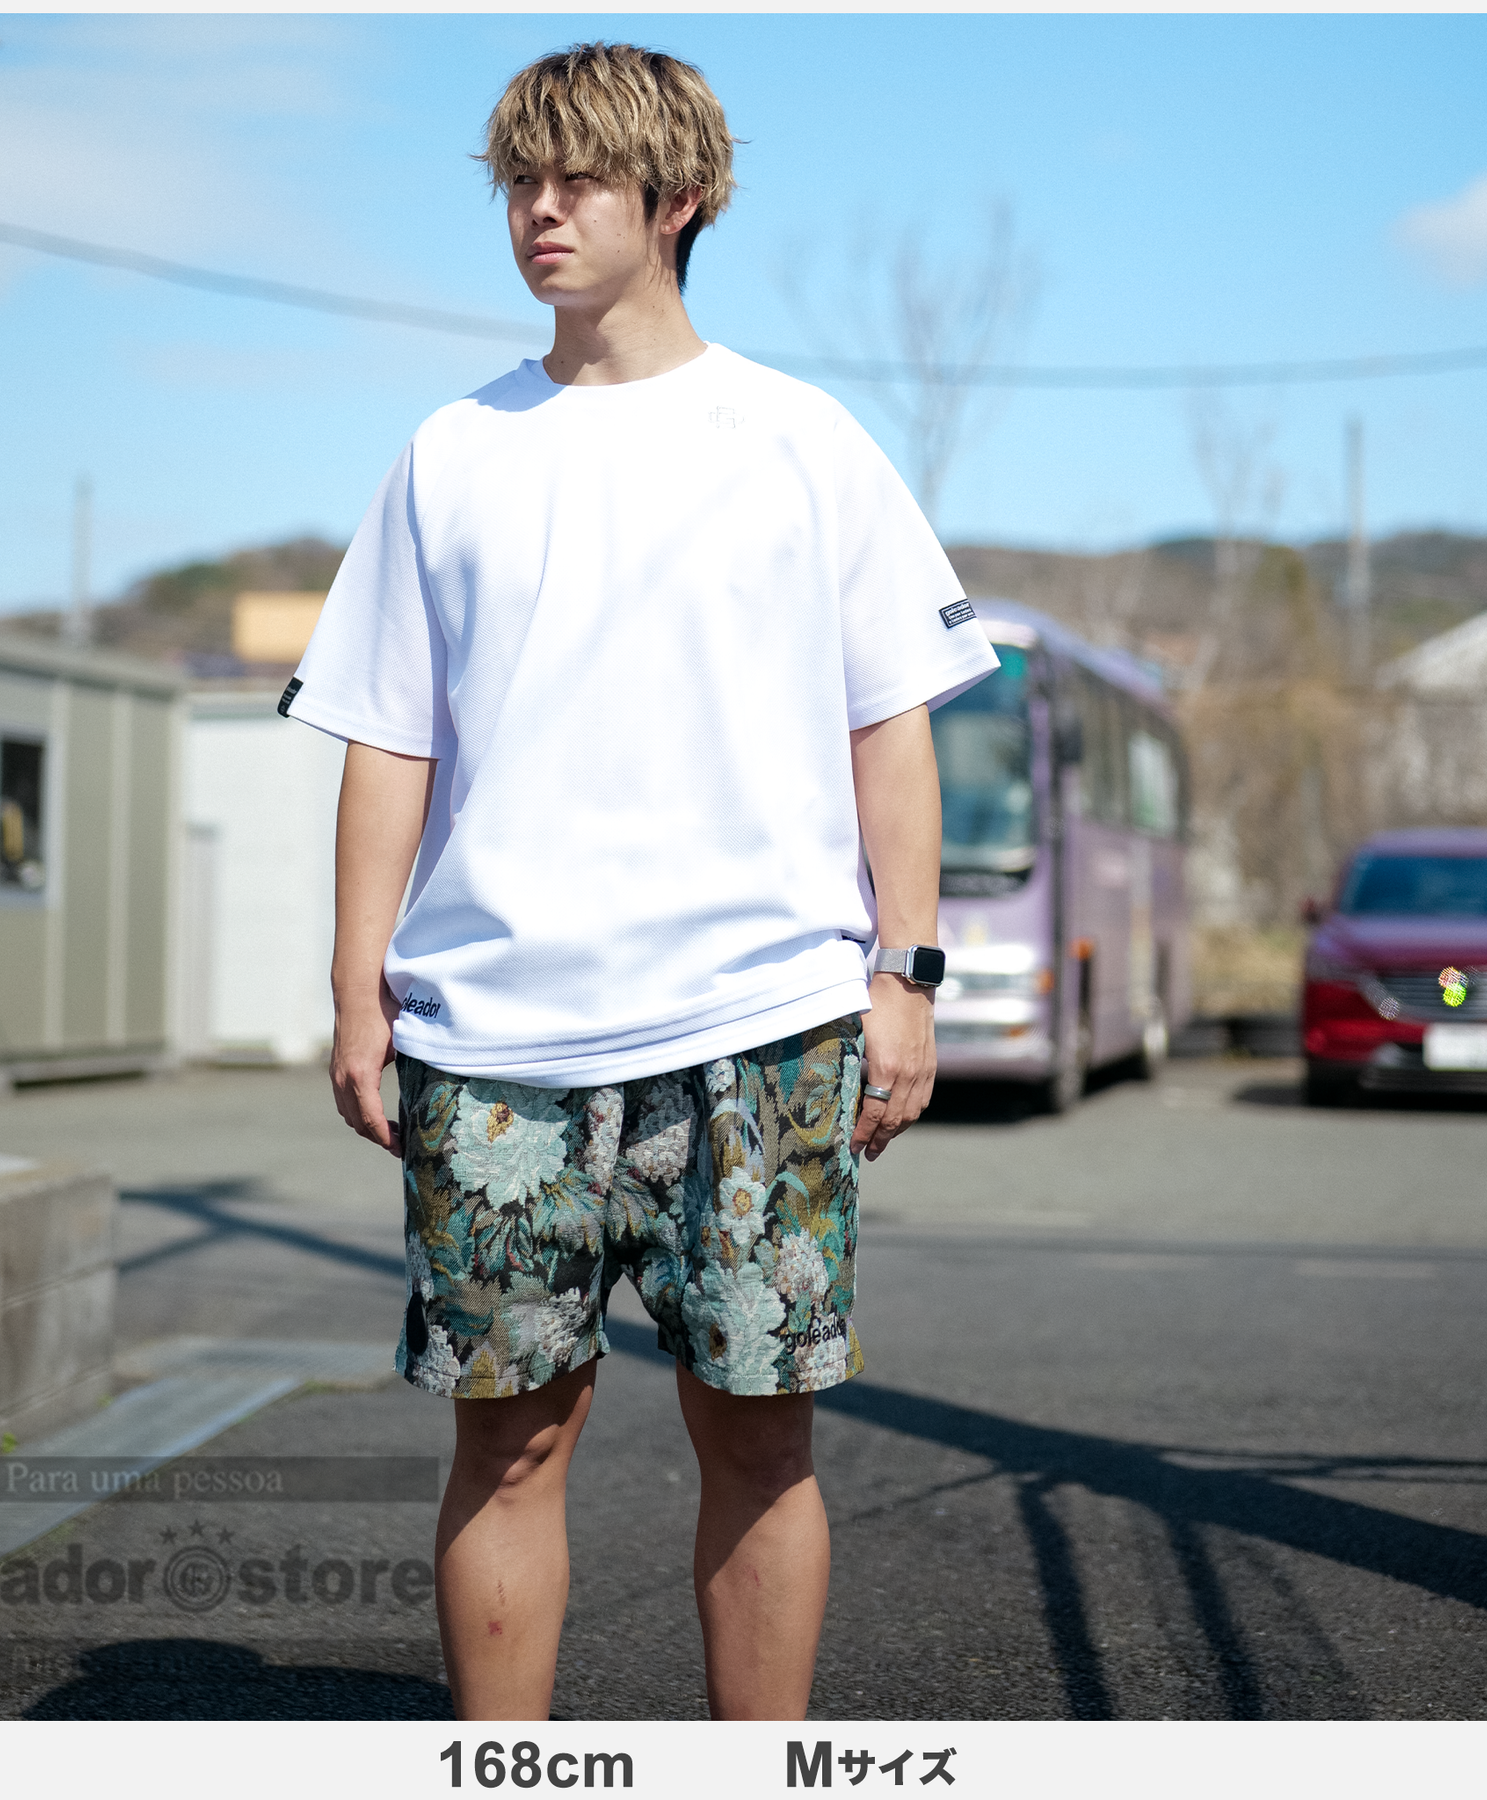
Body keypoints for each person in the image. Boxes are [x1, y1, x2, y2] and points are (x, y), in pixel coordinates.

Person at [282, 42, 997, 1721]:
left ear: (678, 200)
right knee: (508, 1443)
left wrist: (906, 977)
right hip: (494, 1038)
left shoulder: (803, 440)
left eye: (579, 180)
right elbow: (389, 737)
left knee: (758, 1438)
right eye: (519, 181)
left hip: (762, 1025)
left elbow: (890, 727)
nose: (539, 210)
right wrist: (356, 991)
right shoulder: (450, 452)